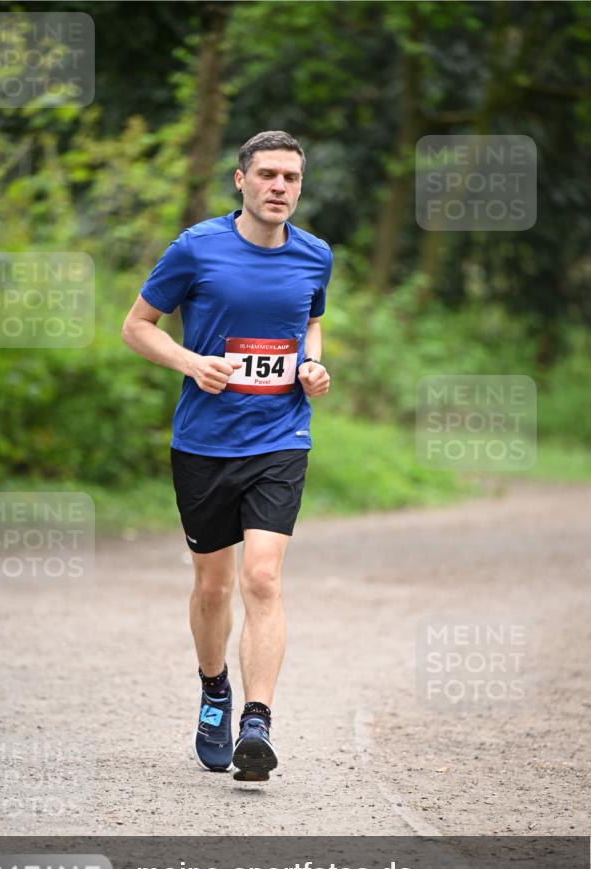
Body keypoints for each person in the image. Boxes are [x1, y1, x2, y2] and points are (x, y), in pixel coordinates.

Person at [122, 130, 333, 781]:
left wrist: (312, 364)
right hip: (204, 444)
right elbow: (136, 327)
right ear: (240, 180)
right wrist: (192, 363)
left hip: (280, 438)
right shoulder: (196, 248)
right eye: (267, 175)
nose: (279, 187)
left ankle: (257, 723)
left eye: (290, 178)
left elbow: (310, 320)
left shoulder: (314, 255)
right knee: (213, 586)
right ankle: (215, 691)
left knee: (262, 579)